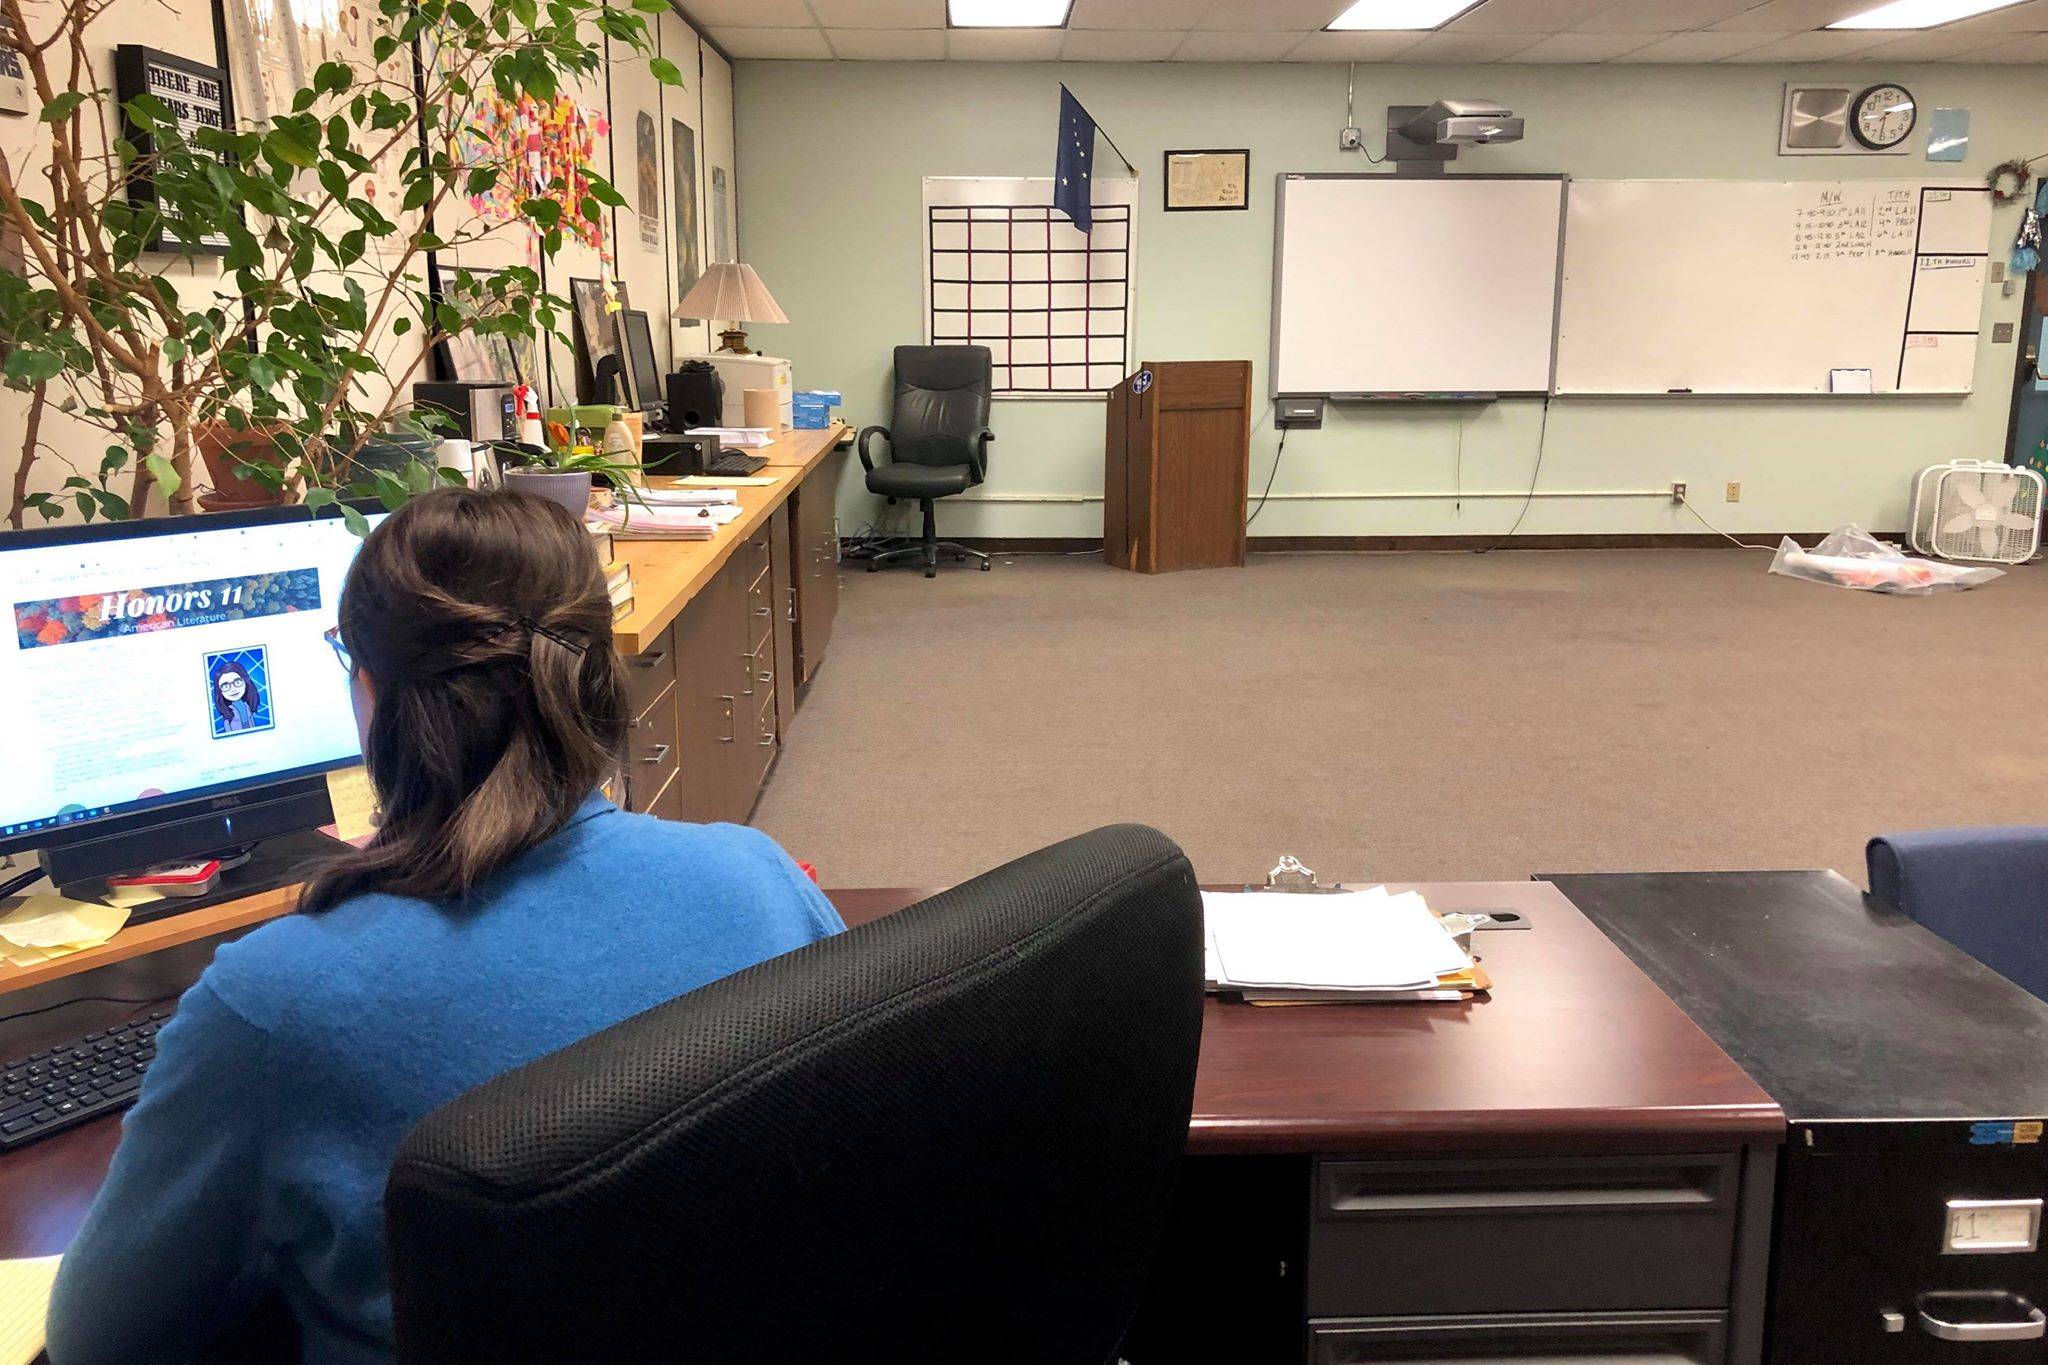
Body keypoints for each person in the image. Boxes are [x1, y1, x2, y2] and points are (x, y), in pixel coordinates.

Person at [48, 488, 843, 1365]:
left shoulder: (271, 1004)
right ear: (595, 669)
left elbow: (98, 1339)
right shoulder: (755, 875)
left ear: (371, 691)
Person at [210, 661, 258, 733]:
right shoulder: (228, 713)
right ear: (219, 690)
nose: (233, 689)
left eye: (237, 682)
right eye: (225, 686)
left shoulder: (246, 705)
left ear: (245, 682)